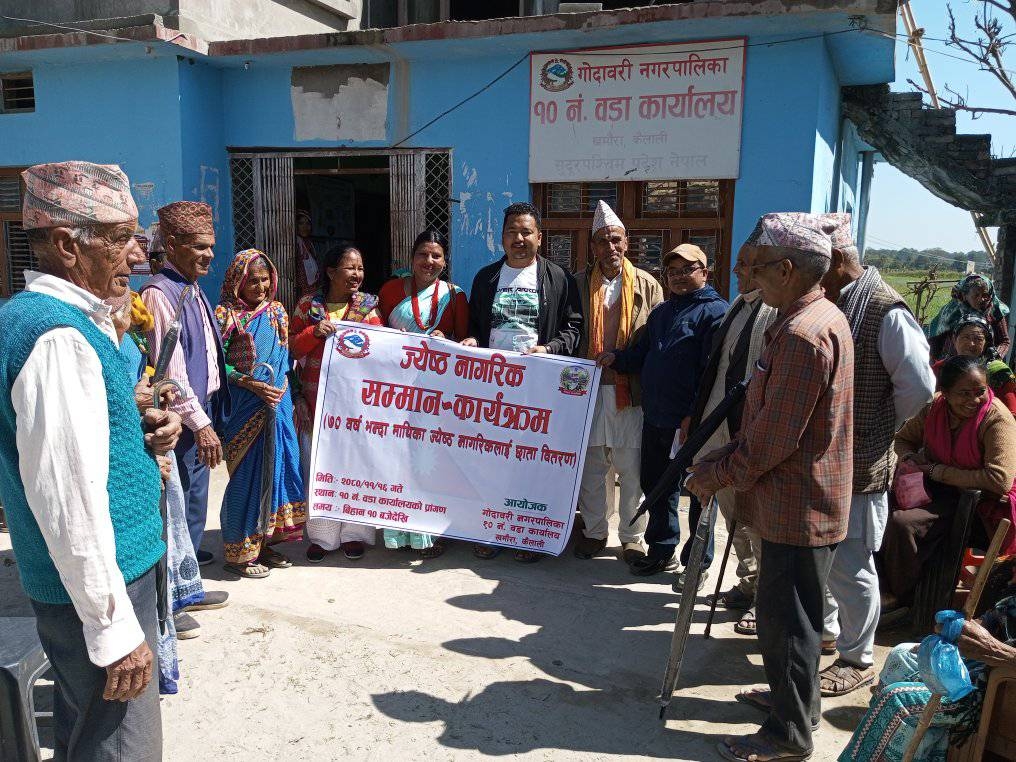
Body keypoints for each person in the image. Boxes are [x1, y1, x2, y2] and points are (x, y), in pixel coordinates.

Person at [0, 161, 183, 760]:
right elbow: (65, 498)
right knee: (120, 745)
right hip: (101, 588)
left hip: (96, 583)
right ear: (66, 246)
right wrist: (112, 629)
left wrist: (138, 424)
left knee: (85, 735)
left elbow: (79, 446)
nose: (137, 253)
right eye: (120, 237)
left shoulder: (63, 323)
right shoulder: (58, 337)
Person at [687, 212, 853, 762]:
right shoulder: (808, 318)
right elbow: (767, 424)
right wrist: (722, 455)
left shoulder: (804, 335)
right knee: (793, 618)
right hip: (796, 500)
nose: (750, 278)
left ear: (786, 269)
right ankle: (796, 706)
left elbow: (773, 441)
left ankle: (788, 736)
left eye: (758, 268)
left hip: (796, 506)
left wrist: (716, 473)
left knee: (787, 625)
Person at [815, 213, 936, 696]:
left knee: (851, 563)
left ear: (837, 260)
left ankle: (857, 657)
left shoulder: (885, 309)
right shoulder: (836, 299)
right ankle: (828, 634)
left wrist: (878, 425)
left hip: (861, 461)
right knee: (825, 560)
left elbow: (919, 386)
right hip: (827, 460)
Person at [461, 201, 584, 562]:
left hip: (538, 389)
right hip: (493, 388)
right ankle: (490, 530)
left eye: (526, 232)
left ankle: (528, 535)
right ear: (502, 238)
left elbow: (574, 328)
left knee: (532, 462)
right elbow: (474, 325)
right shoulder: (486, 278)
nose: (519, 238)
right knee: (492, 459)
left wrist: (549, 348)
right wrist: (472, 340)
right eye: (512, 232)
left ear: (539, 237)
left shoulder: (558, 278)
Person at [599, 243, 727, 577]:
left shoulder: (715, 313)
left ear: (705, 272)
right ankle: (661, 550)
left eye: (687, 269)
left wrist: (693, 415)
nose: (679, 277)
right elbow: (641, 355)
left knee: (698, 491)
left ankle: (697, 564)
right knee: (657, 486)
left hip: (690, 423)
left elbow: (712, 373)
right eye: (673, 271)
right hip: (655, 417)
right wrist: (615, 359)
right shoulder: (662, 313)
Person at [684, 241, 776, 629]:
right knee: (731, 513)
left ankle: (766, 600)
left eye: (745, 265)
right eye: (737, 263)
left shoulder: (776, 311)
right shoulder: (739, 305)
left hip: (749, 432)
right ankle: (749, 581)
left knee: (756, 520)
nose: (737, 271)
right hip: (718, 424)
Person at [880, 355, 1016, 613]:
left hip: (979, 502)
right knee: (879, 510)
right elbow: (902, 440)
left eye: (980, 391)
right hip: (935, 489)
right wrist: (910, 459)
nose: (974, 400)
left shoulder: (996, 419)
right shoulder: (933, 408)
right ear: (945, 392)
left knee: (903, 523)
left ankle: (901, 596)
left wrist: (937, 471)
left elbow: (999, 479)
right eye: (964, 393)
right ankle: (881, 588)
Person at [840, 563, 1016, 761]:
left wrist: (996, 650)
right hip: (983, 669)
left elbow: (994, 649)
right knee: (901, 655)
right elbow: (990, 621)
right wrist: (959, 628)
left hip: (999, 689)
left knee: (900, 701)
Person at [141, 201, 231, 569]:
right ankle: (176, 580)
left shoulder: (191, 288)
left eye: (211, 246)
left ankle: (189, 561)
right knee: (177, 499)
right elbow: (172, 376)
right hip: (181, 418)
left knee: (195, 494)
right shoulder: (160, 293)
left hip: (200, 410)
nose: (209, 255)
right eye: (199, 247)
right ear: (172, 245)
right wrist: (202, 425)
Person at [573, 201, 663, 563]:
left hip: (631, 390)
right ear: (593, 247)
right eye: (602, 241)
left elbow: (655, 340)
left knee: (631, 468)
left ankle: (631, 537)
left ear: (626, 242)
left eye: (616, 240)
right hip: (589, 388)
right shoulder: (578, 283)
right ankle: (595, 531)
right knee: (592, 466)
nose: (610, 247)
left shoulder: (647, 284)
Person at [215, 249, 307, 578]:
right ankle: (239, 554)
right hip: (244, 408)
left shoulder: (277, 312)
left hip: (276, 404)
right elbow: (217, 364)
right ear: (237, 282)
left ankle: (263, 544)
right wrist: (249, 383)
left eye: (265, 279)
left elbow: (284, 358)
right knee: (246, 477)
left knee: (277, 472)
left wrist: (282, 392)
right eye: (252, 281)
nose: (260, 287)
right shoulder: (225, 315)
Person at [377, 229, 469, 558]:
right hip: (395, 391)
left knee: (433, 460)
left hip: (436, 393)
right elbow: (373, 335)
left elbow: (466, 343)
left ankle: (433, 532)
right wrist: (392, 338)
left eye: (436, 256)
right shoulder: (389, 290)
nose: (428, 261)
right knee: (398, 458)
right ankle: (397, 530)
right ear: (412, 257)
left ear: (445, 261)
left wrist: (449, 340)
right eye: (422, 254)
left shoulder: (455, 296)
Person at [291, 244, 383, 562]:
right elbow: (290, 348)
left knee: (354, 469)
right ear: (331, 272)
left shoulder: (368, 308)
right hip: (315, 404)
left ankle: (354, 534)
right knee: (319, 469)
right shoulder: (308, 306)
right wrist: (313, 333)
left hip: (356, 408)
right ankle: (322, 536)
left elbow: (381, 351)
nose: (357, 274)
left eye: (360, 268)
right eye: (350, 267)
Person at [932, 314, 1016, 416]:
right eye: (965, 337)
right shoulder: (941, 368)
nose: (971, 344)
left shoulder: (998, 372)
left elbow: (1011, 413)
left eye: (978, 339)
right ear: (954, 339)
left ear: (986, 343)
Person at [929, 273, 1010, 361]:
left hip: (985, 362)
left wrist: (995, 356)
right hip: (951, 361)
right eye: (976, 295)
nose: (981, 299)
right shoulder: (951, 311)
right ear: (965, 296)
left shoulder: (995, 312)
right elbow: (936, 339)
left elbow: (1004, 341)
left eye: (985, 295)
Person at [295, 209, 321, 297]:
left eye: (308, 223)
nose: (305, 227)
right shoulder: (296, 243)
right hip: (301, 290)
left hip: (312, 287)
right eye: (301, 223)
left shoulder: (309, 243)